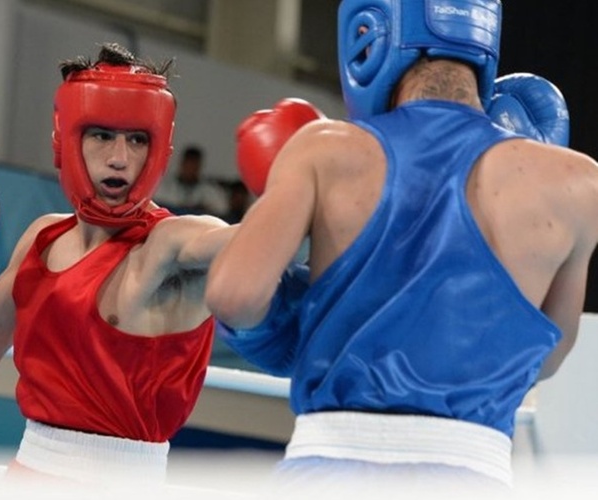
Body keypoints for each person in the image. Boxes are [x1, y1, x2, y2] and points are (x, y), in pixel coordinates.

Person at [206, 0, 598, 493]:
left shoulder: (325, 147)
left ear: (369, 34)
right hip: (475, 472)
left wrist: (302, 317)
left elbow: (233, 295)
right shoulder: (578, 182)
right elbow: (549, 356)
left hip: (331, 463)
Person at [0, 42, 236, 488]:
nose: (119, 158)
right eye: (102, 135)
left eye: (137, 139)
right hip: (27, 473)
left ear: (160, 148)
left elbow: (240, 242)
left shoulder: (168, 244)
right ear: (67, 138)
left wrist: (305, 191)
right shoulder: (43, 237)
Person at [154, 145, 230, 217]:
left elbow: (222, 209)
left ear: (199, 166)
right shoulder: (165, 185)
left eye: (194, 165)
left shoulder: (209, 190)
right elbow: (156, 204)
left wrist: (202, 208)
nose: (190, 169)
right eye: (188, 164)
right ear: (182, 164)